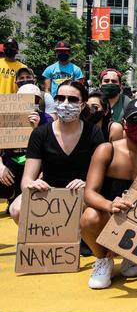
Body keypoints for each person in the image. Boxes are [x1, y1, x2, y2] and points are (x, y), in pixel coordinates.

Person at [80, 98, 137, 289]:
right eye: (135, 120)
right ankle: (103, 259)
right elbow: (89, 193)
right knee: (89, 217)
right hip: (107, 218)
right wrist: (110, 205)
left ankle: (133, 256)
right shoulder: (107, 150)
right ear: (125, 123)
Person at [8, 81, 104, 224]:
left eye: (72, 99)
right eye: (60, 98)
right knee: (17, 209)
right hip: (48, 193)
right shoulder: (40, 133)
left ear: (82, 105)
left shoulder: (94, 133)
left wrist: (87, 184)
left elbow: (100, 177)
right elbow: (27, 180)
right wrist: (33, 185)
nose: (65, 103)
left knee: (93, 214)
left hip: (81, 194)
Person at [0, 84, 52, 205]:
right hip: (11, 165)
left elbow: (50, 149)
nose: (29, 104)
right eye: (25, 99)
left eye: (34, 100)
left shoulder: (47, 119)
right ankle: (10, 194)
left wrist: (36, 129)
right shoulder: (6, 118)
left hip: (37, 166)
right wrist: (1, 167)